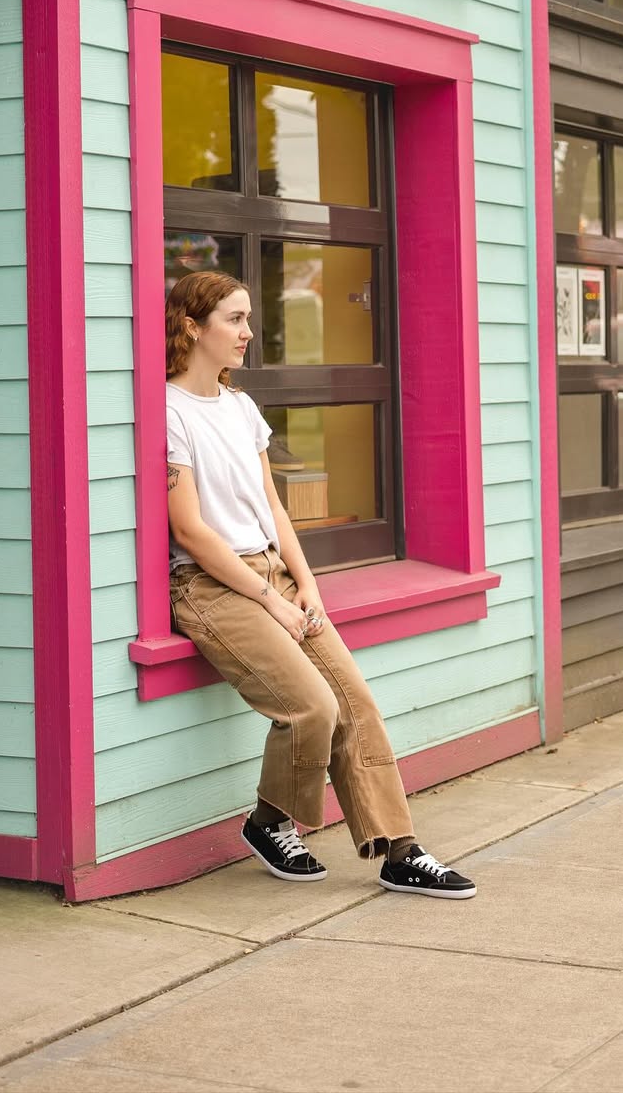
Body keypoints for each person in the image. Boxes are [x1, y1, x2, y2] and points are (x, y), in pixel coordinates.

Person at [165, 270, 476, 900]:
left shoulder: (242, 407)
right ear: (193, 327)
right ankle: (271, 821)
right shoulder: (168, 411)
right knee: (314, 707)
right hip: (211, 585)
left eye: (249, 318)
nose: (248, 332)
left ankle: (399, 850)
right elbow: (192, 532)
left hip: (276, 574)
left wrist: (307, 585)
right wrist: (270, 601)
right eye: (234, 319)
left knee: (356, 703)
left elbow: (274, 507)